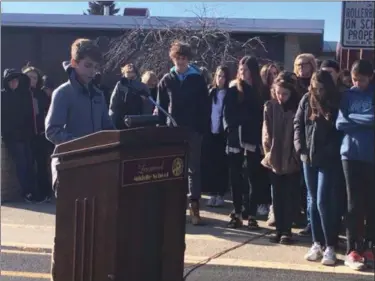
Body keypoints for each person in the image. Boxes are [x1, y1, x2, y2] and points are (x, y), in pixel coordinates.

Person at [45, 38, 114, 281]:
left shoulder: (98, 95)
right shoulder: (63, 93)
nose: (92, 71)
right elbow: (52, 130)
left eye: (95, 67)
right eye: (87, 65)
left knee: (93, 232)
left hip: (97, 169)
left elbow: (108, 128)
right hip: (70, 169)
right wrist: (82, 145)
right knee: (68, 233)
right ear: (74, 63)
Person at [157, 40, 210, 225]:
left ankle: (194, 206)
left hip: (193, 130)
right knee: (174, 169)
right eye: (177, 58)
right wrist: (162, 130)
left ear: (188, 59)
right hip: (173, 132)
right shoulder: (166, 80)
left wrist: (202, 128)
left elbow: (205, 106)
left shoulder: (197, 79)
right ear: (173, 59)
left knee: (193, 169)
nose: (180, 61)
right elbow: (161, 108)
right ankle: (175, 207)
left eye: (183, 58)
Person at [294, 70, 342, 266]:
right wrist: (299, 147)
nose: (318, 91)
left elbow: (340, 131)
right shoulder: (306, 99)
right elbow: (298, 123)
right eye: (315, 88)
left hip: (328, 159)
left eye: (321, 88)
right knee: (312, 200)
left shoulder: (335, 101)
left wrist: (329, 152)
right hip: (308, 157)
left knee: (323, 201)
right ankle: (316, 243)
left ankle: (330, 245)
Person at [336, 60, 374, 271]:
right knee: (353, 204)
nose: (357, 83)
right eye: (354, 79)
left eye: (362, 79)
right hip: (350, 155)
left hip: (371, 155)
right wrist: (366, 120)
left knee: (371, 203)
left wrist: (354, 119)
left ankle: (369, 245)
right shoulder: (347, 95)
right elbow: (340, 123)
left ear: (371, 77)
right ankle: (353, 249)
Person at [224, 56, 267, 230]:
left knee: (252, 177)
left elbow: (261, 114)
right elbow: (227, 114)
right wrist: (231, 129)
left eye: (246, 69)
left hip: (252, 138)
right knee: (235, 177)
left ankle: (251, 213)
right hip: (235, 137)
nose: (243, 72)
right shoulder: (233, 89)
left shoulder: (260, 90)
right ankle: (237, 212)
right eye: (241, 69)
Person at [262, 71, 301, 244]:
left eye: (284, 94)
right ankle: (279, 229)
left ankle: (287, 230)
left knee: (289, 194)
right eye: (278, 93)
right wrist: (268, 153)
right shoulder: (270, 106)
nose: (281, 97)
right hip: (275, 156)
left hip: (291, 157)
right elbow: (266, 132)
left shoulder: (297, 108)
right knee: (276, 194)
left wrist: (295, 156)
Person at [1, 69, 37, 202]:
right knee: (22, 163)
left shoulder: (23, 95)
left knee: (29, 162)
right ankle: (26, 192)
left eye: (16, 80)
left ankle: (31, 190)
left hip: (25, 136)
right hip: (12, 137)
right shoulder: (3, 96)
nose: (14, 83)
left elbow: (28, 116)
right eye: (11, 80)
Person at [293, 53, 318, 235]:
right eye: (298, 65)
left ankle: (312, 221)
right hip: (295, 137)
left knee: (310, 186)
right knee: (297, 182)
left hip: (313, 140)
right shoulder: (293, 84)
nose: (301, 68)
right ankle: (298, 214)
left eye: (305, 64)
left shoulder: (317, 84)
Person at [202, 66, 231, 208]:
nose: (220, 79)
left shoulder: (230, 93)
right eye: (219, 76)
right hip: (210, 132)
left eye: (223, 76)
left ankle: (220, 193)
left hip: (222, 134)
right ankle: (212, 193)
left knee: (221, 164)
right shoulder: (211, 92)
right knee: (211, 164)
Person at [22, 65, 52, 202]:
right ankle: (29, 193)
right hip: (25, 135)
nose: (32, 80)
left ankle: (45, 193)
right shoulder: (20, 93)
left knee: (41, 164)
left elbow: (48, 111)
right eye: (29, 77)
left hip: (40, 134)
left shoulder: (41, 94)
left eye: (35, 77)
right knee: (27, 164)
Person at [259, 62, 279, 223]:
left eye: (275, 73)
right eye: (269, 74)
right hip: (261, 138)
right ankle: (263, 203)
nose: (272, 76)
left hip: (277, 140)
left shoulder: (281, 93)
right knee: (261, 175)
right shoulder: (260, 93)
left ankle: (274, 207)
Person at [109, 63, 153, 129]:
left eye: (132, 77)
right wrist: (112, 124)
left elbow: (148, 107)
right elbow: (113, 105)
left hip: (138, 121)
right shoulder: (120, 85)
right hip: (121, 121)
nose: (131, 81)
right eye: (128, 73)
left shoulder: (143, 87)